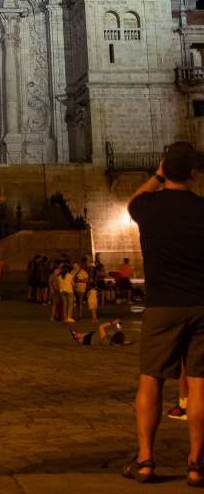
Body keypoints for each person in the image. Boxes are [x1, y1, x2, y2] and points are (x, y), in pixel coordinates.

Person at [122, 141, 204, 485]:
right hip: (201, 305)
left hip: (161, 306)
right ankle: (197, 463)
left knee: (150, 381)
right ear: (193, 173)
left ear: (162, 170)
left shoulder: (147, 207)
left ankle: (145, 460)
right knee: (199, 384)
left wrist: (156, 176)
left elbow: (134, 199)